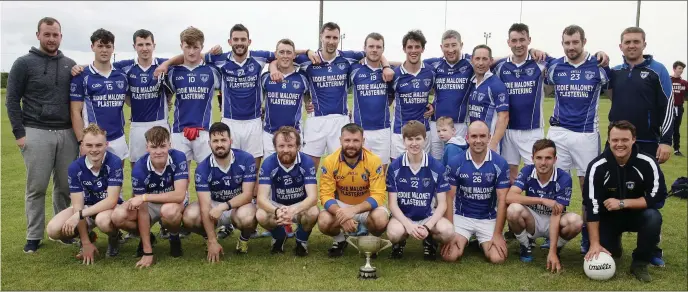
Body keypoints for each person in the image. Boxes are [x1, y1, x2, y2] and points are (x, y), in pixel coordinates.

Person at [272, 22, 394, 169]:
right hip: (316, 120)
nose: (331, 41)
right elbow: (281, 55)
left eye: (335, 37)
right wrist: (307, 50)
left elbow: (375, 54)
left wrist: (386, 65)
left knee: (340, 169)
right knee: (310, 167)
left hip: (339, 120)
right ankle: (309, 193)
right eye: (328, 37)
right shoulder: (308, 59)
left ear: (338, 39)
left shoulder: (348, 58)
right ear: (321, 37)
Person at [5, 17, 79, 252]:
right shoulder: (23, 63)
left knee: (65, 188)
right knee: (37, 187)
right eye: (47, 34)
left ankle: (64, 231)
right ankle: (34, 236)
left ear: (61, 36)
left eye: (55, 34)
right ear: (38, 35)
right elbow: (11, 99)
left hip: (66, 132)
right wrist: (19, 133)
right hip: (36, 130)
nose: (51, 39)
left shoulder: (70, 64)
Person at [583, 120, 667, 282]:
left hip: (637, 215)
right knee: (609, 251)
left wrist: (623, 203)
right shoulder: (597, 166)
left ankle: (640, 263)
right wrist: (594, 244)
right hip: (609, 218)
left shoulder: (648, 163)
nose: (619, 144)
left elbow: (656, 196)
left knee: (653, 217)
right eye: (615, 140)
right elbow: (591, 205)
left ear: (633, 140)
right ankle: (614, 245)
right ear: (608, 140)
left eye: (624, 140)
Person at [109, 126, 189, 268]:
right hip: (149, 204)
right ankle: (147, 239)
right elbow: (143, 211)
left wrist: (145, 197)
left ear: (170, 145)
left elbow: (179, 195)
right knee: (118, 216)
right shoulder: (139, 169)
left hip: (171, 201)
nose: (158, 151)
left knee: (169, 211)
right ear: (147, 147)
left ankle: (174, 237)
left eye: (163, 146)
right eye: (154, 147)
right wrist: (148, 253)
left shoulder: (179, 157)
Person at [46, 124, 123, 263]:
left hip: (108, 208)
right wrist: (85, 242)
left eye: (99, 145)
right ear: (82, 145)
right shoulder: (75, 167)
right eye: (89, 145)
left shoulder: (114, 162)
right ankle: (87, 237)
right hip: (85, 208)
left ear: (106, 144)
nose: (94, 150)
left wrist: (79, 215)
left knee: (103, 221)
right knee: (53, 229)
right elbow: (78, 206)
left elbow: (112, 200)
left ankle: (114, 237)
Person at [182, 122, 258, 258]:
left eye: (223, 140)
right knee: (190, 216)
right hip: (213, 205)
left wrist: (223, 207)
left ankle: (244, 239)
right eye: (215, 141)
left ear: (231, 141)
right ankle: (209, 239)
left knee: (249, 217)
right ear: (209, 143)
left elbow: (247, 195)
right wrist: (212, 241)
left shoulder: (246, 159)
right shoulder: (202, 168)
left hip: (238, 205)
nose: (219, 144)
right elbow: (205, 206)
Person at [505, 138, 582, 270]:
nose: (543, 162)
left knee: (576, 221)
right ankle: (525, 245)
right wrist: (541, 200)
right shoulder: (527, 171)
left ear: (555, 159)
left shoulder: (564, 178)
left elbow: (556, 214)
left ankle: (555, 248)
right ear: (532, 158)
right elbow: (509, 197)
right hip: (532, 220)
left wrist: (552, 252)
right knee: (513, 210)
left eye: (548, 158)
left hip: (554, 220)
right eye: (539, 158)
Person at [441, 120, 510, 264]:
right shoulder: (455, 162)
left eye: (482, 136)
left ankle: (480, 240)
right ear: (467, 138)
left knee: (498, 259)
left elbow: (503, 200)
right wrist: (450, 231)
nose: (478, 141)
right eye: (474, 136)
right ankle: (469, 238)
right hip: (462, 216)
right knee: (450, 256)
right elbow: (449, 197)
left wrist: (497, 234)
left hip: (488, 217)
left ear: (489, 137)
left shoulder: (500, 163)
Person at [386, 121, 455, 260]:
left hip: (427, 216)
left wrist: (428, 227)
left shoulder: (436, 166)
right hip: (403, 217)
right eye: (410, 139)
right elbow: (392, 204)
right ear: (403, 141)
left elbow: (442, 204)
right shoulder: (394, 167)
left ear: (425, 139)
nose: (414, 143)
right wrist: (408, 225)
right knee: (394, 233)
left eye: (418, 138)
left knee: (448, 232)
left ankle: (429, 240)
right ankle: (399, 242)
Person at [318, 123, 389, 257]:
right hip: (342, 205)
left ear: (363, 141)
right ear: (340, 141)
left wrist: (353, 210)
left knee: (381, 219)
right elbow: (325, 196)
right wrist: (341, 214)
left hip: (366, 206)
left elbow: (379, 195)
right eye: (347, 140)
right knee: (323, 221)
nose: (351, 145)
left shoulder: (374, 160)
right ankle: (340, 240)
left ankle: (369, 239)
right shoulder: (329, 161)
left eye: (356, 140)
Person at [608, 27, 674, 164]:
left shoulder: (658, 70)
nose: (631, 45)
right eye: (627, 42)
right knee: (611, 183)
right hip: (616, 142)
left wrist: (666, 141)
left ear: (644, 44)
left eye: (636, 41)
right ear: (621, 46)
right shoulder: (615, 72)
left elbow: (668, 107)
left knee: (646, 184)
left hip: (647, 142)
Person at [492, 23, 547, 183]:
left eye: (522, 40)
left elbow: (563, 60)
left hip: (532, 130)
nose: (518, 44)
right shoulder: (500, 67)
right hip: (508, 130)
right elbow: (482, 63)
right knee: (510, 175)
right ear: (508, 42)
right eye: (514, 41)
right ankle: (510, 208)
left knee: (537, 174)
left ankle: (536, 207)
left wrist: (535, 51)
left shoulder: (540, 63)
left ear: (529, 40)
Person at [256, 126, 319, 256]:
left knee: (313, 212)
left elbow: (313, 197)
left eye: (290, 146)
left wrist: (293, 211)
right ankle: (279, 237)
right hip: (277, 205)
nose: (285, 150)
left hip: (300, 205)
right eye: (281, 146)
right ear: (275, 147)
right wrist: (277, 211)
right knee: (261, 215)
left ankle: (301, 241)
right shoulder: (268, 163)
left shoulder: (306, 161)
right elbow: (261, 199)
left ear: (298, 146)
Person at [70, 28, 129, 161]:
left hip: (117, 138)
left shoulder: (122, 75)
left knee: (116, 180)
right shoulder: (81, 76)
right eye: (100, 46)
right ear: (92, 47)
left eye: (108, 46)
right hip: (93, 141)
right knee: (93, 180)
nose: (104, 50)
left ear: (113, 48)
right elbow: (75, 111)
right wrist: (82, 142)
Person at [163, 27, 220, 164]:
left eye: (196, 47)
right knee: (180, 178)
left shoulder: (212, 71)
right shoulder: (172, 72)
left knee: (206, 177)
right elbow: (167, 96)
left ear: (202, 47)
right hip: (179, 132)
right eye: (188, 47)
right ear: (181, 46)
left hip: (204, 131)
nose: (191, 51)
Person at [425, 30, 473, 160]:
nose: (450, 49)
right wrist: (384, 65)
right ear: (441, 47)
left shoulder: (471, 62)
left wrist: (531, 53)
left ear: (461, 45)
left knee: (455, 163)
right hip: (436, 124)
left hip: (458, 125)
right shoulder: (434, 63)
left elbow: (492, 60)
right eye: (447, 45)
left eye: (454, 45)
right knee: (436, 163)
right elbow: (408, 65)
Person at [349, 32, 394, 169]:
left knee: (380, 174)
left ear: (383, 50)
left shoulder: (390, 73)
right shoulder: (354, 69)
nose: (374, 50)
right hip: (360, 130)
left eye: (378, 47)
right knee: (358, 175)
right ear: (365, 48)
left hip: (383, 130)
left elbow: (391, 96)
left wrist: (386, 65)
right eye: (371, 46)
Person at [390, 30, 436, 158]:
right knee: (399, 170)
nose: (413, 50)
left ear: (423, 49)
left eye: (417, 47)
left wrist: (433, 105)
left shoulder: (430, 72)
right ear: (404, 49)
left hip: (423, 131)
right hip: (399, 131)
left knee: (422, 170)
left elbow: (442, 92)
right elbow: (388, 98)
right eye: (410, 47)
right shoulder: (395, 74)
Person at [261, 39, 310, 157]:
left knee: (294, 173)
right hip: (270, 135)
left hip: (294, 135)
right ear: (276, 54)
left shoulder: (303, 78)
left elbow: (309, 98)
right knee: (270, 172)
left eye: (289, 53)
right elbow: (258, 101)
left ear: (294, 55)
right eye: (281, 52)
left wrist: (309, 103)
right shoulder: (265, 78)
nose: (285, 56)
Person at [467, 45, 509, 154]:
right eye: (477, 59)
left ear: (491, 61)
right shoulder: (472, 83)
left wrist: (493, 143)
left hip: (488, 143)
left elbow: (503, 117)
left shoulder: (496, 85)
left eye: (484, 59)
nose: (480, 63)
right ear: (472, 60)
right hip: (473, 141)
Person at [671, 61, 687, 156]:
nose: (681, 70)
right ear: (674, 68)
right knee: (664, 128)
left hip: (679, 108)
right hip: (668, 108)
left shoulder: (684, 83)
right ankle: (658, 147)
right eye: (679, 68)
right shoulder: (668, 80)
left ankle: (676, 149)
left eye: (682, 69)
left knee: (676, 129)